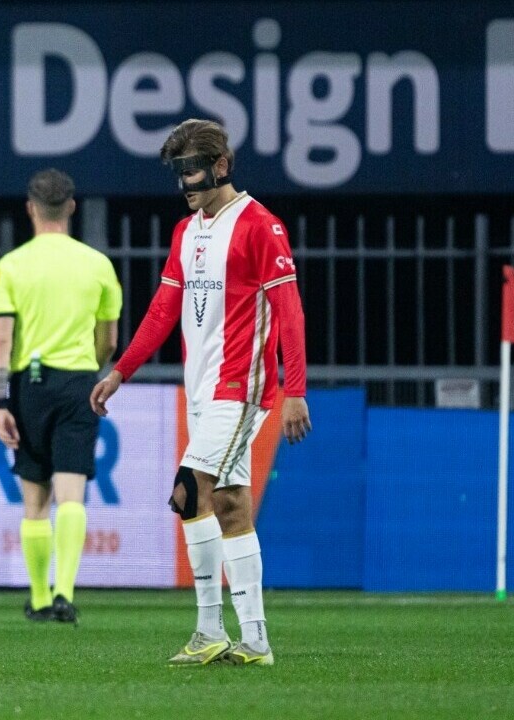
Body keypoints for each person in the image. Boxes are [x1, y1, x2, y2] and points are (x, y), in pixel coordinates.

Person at [91, 119, 311, 666]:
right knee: (232, 505)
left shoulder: (261, 226)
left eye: (193, 168)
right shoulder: (187, 232)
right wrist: (123, 370)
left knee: (189, 491)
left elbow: (289, 311)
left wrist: (295, 389)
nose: (185, 181)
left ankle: (209, 628)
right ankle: (254, 640)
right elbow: (164, 309)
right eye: (178, 171)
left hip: (241, 386)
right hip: (201, 387)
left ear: (222, 165)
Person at [0, 169, 122, 625]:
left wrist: (0, 402)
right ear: (71, 207)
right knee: (72, 494)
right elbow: (109, 340)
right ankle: (65, 591)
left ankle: (40, 598)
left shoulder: (12, 266)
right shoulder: (97, 264)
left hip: (30, 386)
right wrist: (90, 368)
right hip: (79, 380)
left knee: (35, 500)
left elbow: (1, 340)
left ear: (30, 208)